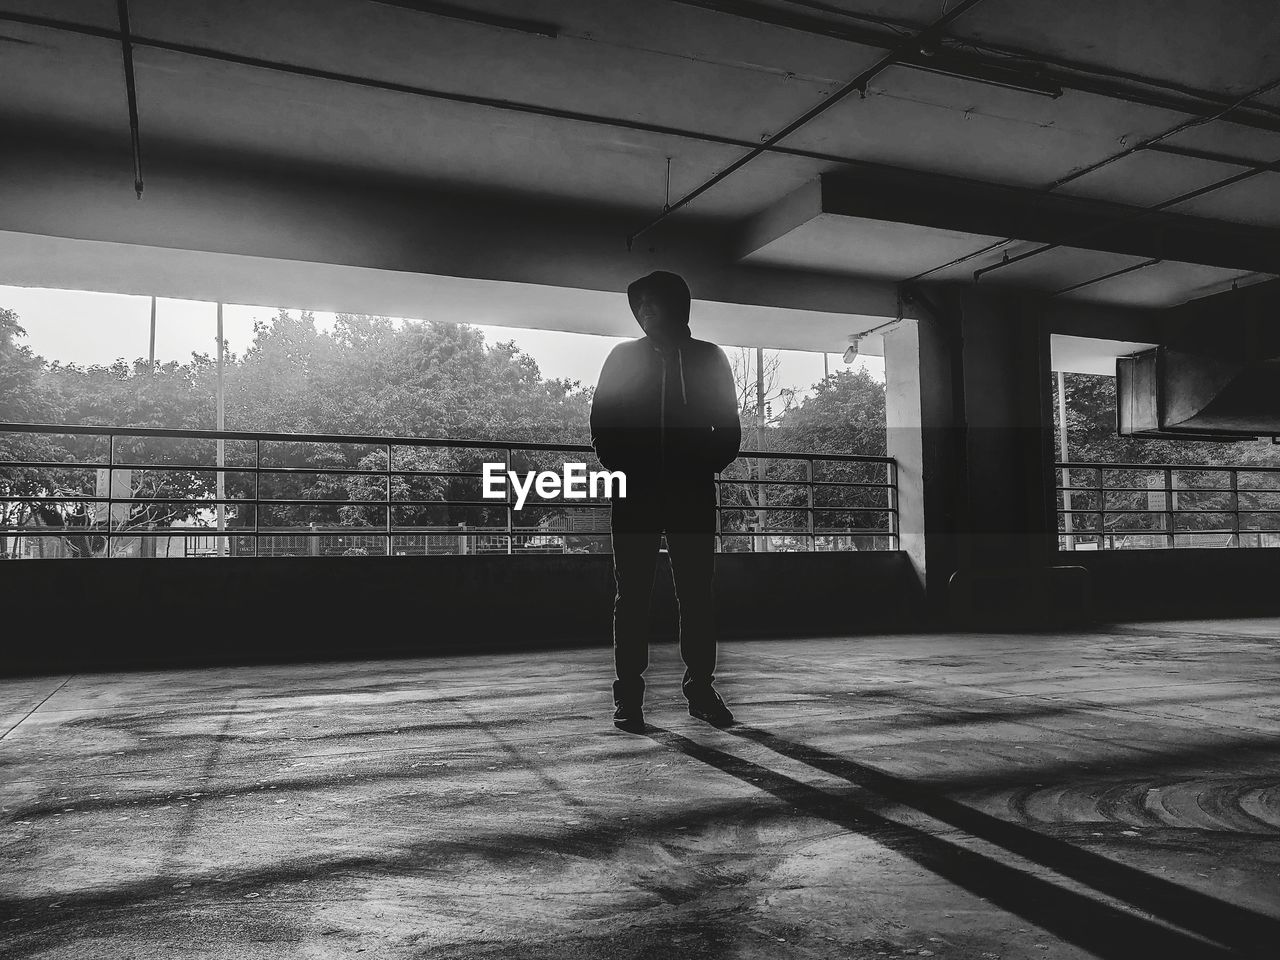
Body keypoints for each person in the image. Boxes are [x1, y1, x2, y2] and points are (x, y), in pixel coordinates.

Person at [590, 271, 742, 731]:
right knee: (631, 595)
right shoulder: (621, 357)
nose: (642, 312)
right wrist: (624, 469)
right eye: (638, 306)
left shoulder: (709, 358)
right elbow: (602, 425)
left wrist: (700, 465)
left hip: (691, 491)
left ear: (678, 306)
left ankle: (700, 689)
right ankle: (628, 699)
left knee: (695, 593)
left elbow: (729, 427)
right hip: (633, 493)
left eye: (651, 304)